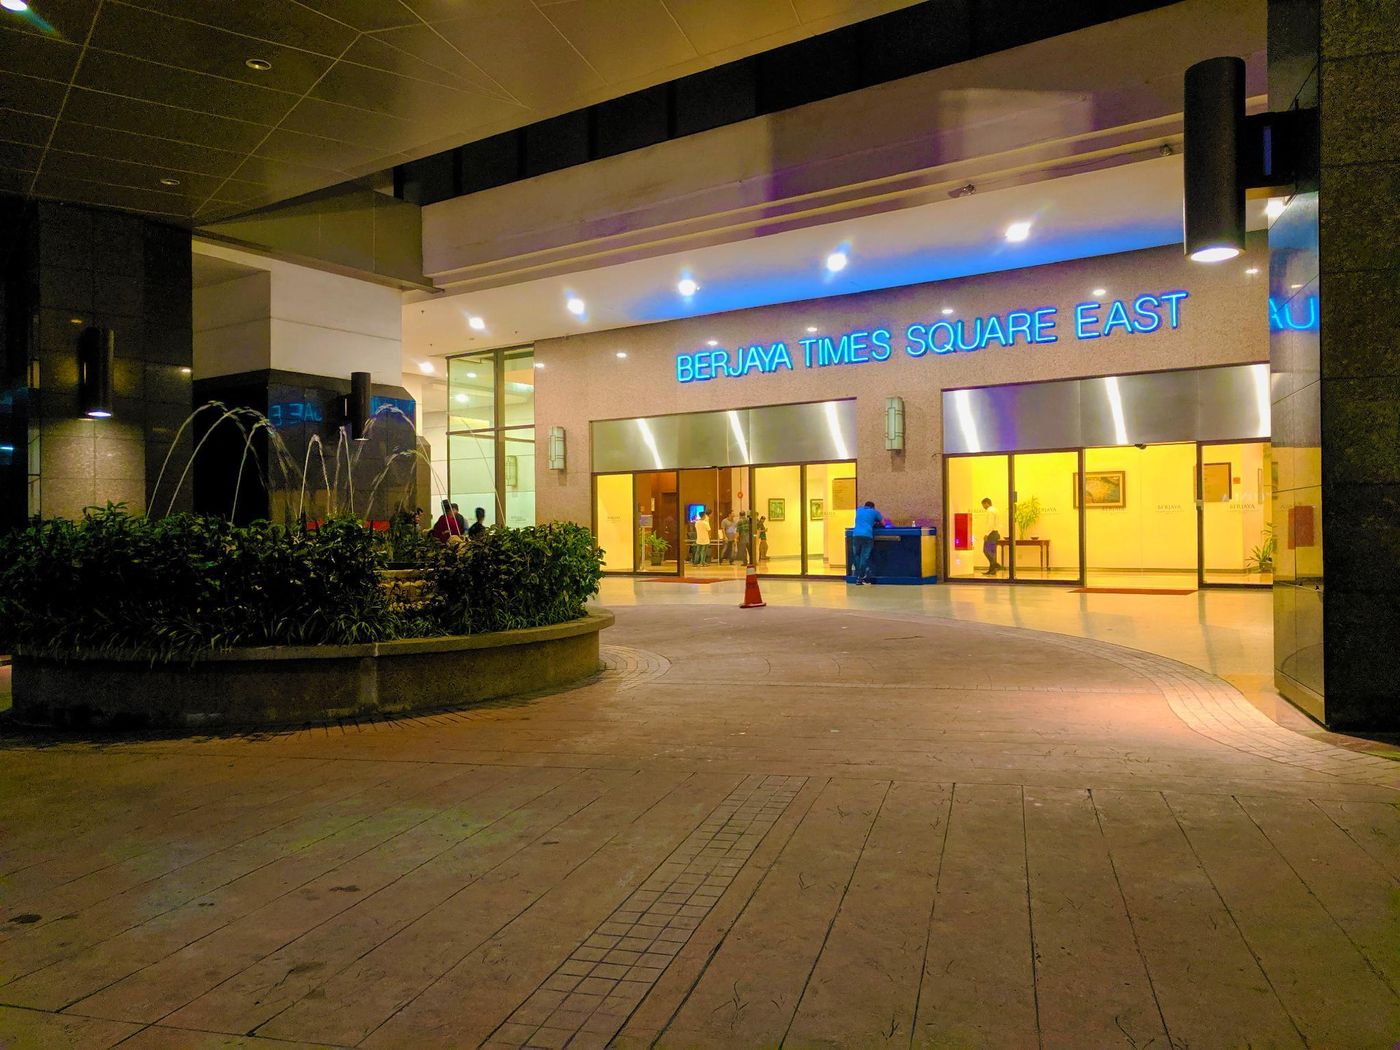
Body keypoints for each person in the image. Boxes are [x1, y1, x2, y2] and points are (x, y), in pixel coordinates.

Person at [850, 500, 883, 584]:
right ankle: (861, 576)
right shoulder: (874, 512)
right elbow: (883, 523)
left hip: (856, 535)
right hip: (867, 535)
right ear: (872, 507)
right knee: (864, 557)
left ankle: (858, 575)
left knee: (856, 555)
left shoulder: (858, 510)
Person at [980, 496, 1003, 576]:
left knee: (986, 550)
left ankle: (996, 565)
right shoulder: (995, 510)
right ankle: (992, 570)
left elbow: (990, 523)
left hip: (991, 534)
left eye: (983, 505)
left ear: (986, 503)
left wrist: (986, 534)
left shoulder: (990, 511)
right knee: (992, 552)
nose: (983, 507)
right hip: (995, 533)